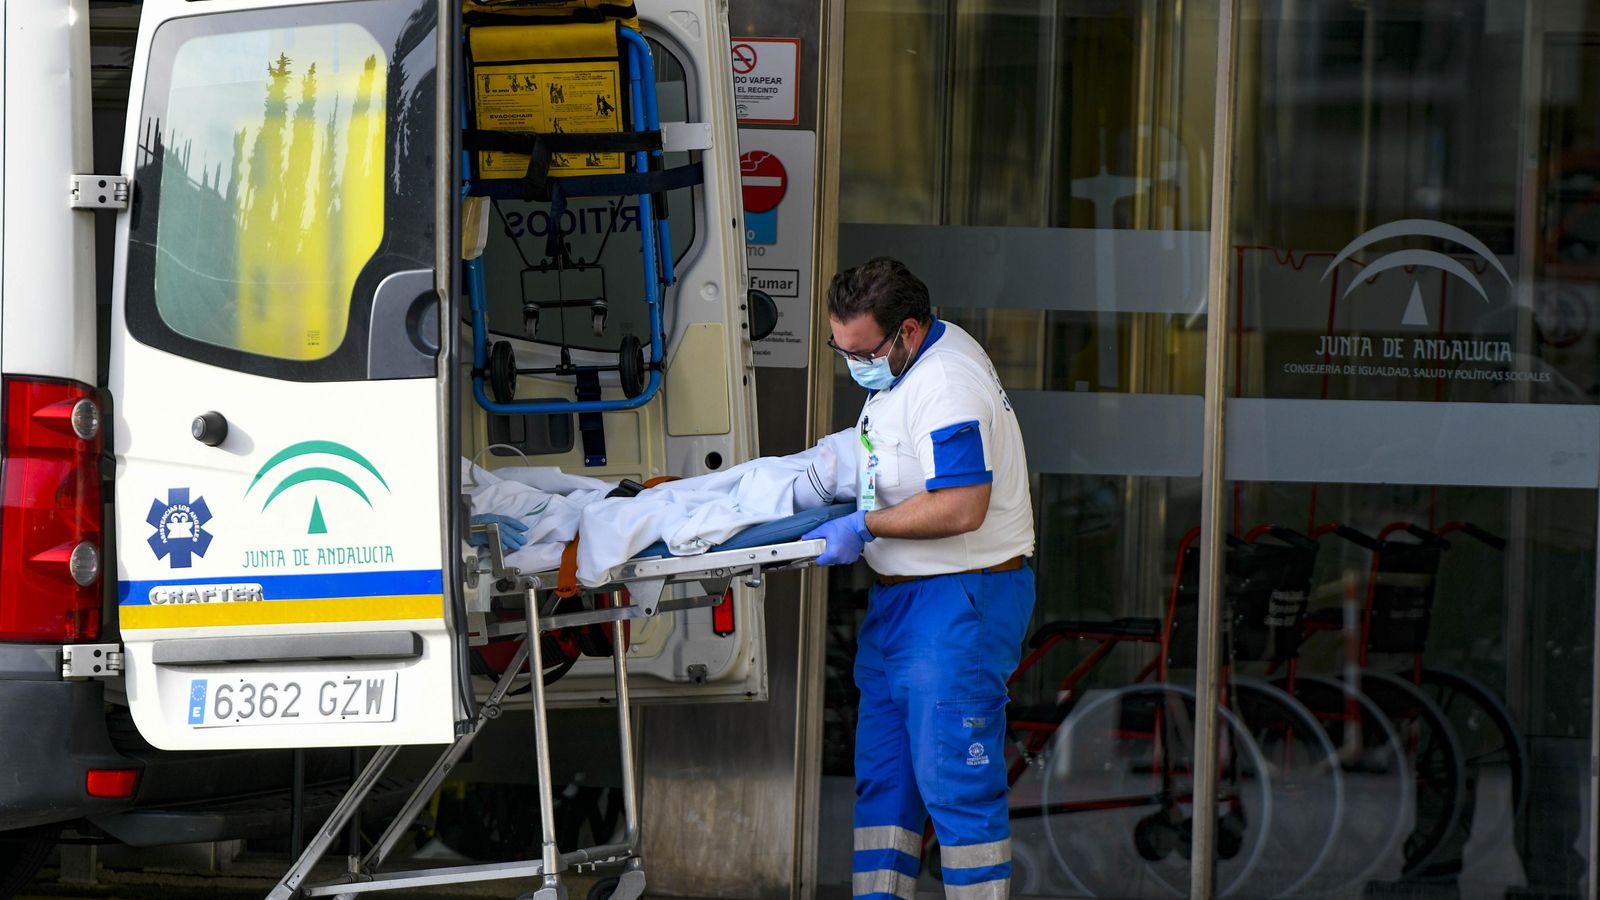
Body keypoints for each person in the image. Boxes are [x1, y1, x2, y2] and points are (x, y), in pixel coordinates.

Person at [802, 257, 1035, 899]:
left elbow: (963, 504)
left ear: (906, 331)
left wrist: (867, 527)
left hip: (959, 602)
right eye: (839, 347)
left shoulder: (948, 383)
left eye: (862, 351)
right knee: (886, 787)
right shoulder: (910, 359)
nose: (852, 364)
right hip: (903, 604)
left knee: (956, 789)